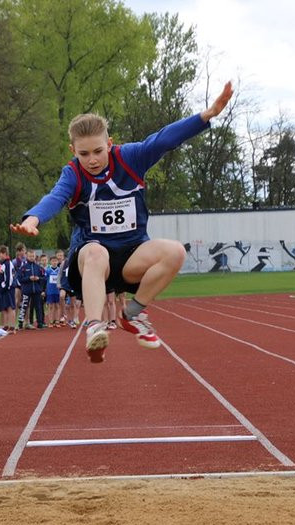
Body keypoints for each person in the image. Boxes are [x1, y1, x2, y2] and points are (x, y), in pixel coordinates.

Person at [12, 82, 234, 363]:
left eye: (97, 151)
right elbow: (55, 197)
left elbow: (164, 140)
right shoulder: (73, 174)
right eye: (83, 154)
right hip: (92, 262)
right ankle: (94, 327)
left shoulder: (130, 158)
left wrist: (206, 115)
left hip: (131, 255)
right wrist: (33, 218)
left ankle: (134, 313)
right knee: (96, 251)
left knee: (175, 251)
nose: (91, 160)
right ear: (73, 150)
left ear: (110, 143)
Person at [17, 249, 45, 329]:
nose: (31, 258)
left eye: (33, 256)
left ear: (35, 257)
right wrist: (29, 278)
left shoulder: (39, 267)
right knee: (24, 306)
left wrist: (38, 278)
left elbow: (44, 278)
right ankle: (20, 323)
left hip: (36, 290)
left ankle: (40, 323)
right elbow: (20, 279)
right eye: (30, 256)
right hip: (26, 290)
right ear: (26, 256)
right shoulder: (23, 268)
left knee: (38, 307)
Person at [0, 245, 16, 331]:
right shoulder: (4, 264)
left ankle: (12, 325)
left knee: (10, 307)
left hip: (8, 289)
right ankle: (7, 325)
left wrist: (5, 287)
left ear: (4, 253)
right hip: (5, 289)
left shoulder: (7, 263)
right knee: (5, 307)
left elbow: (9, 277)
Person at [44, 255, 62, 327]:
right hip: (50, 291)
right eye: (53, 261)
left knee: (57, 306)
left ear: (57, 262)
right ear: (50, 262)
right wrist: (44, 290)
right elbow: (45, 280)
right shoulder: (48, 270)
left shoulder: (59, 270)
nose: (54, 262)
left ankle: (57, 321)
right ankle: (51, 321)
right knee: (50, 306)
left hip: (57, 291)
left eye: (55, 261)